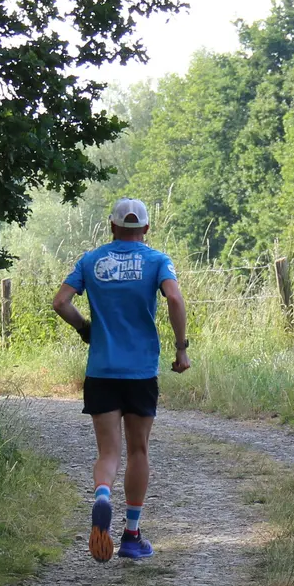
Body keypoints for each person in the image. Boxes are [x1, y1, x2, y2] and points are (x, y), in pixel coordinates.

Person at [52, 197, 190, 563]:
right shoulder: (157, 260)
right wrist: (181, 349)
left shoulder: (90, 260)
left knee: (108, 453)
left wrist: (85, 328)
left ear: (112, 227)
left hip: (101, 371)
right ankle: (131, 535)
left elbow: (60, 302)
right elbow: (175, 299)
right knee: (138, 450)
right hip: (140, 372)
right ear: (146, 228)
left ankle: (102, 495)